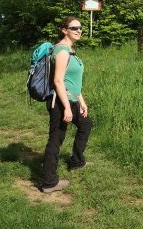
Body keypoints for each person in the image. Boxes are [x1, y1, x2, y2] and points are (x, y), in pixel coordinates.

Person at [41, 16, 92, 193]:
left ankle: (77, 162)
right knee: (56, 139)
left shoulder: (70, 50)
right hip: (60, 102)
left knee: (86, 124)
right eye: (74, 28)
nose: (79, 30)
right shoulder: (62, 51)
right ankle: (49, 182)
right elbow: (58, 81)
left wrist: (82, 102)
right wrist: (68, 108)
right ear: (64, 30)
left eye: (80, 28)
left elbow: (73, 81)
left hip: (71, 99)